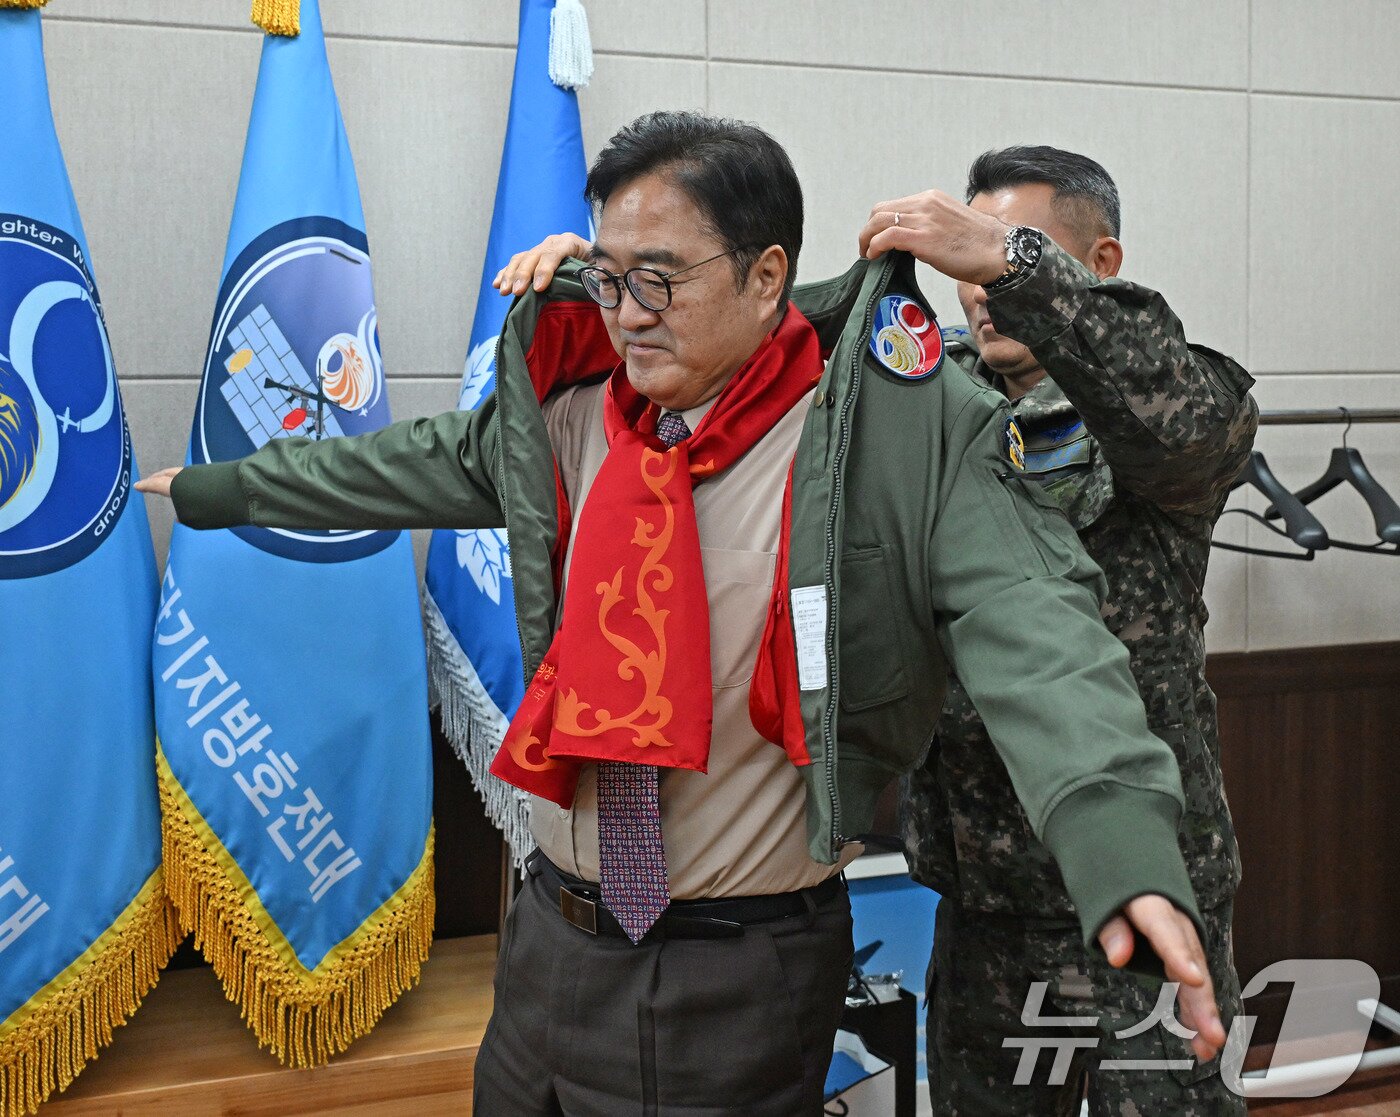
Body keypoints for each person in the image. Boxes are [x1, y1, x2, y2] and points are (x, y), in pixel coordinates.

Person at [140, 114, 1225, 1115]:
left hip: (734, 967)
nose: (624, 315)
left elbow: (1038, 632)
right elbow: (396, 468)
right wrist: (219, 489)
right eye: (608, 279)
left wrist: (1118, 841)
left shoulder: (890, 432)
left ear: (765, 279)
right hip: (548, 943)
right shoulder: (575, 412)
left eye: (657, 281)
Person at [854, 146, 1256, 1114]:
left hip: (1143, 885)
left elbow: (1182, 424)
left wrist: (1017, 266)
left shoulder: (1164, 404)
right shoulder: (930, 405)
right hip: (986, 884)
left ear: (1098, 263)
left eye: (1001, 258)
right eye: (967, 270)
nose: (978, 291)